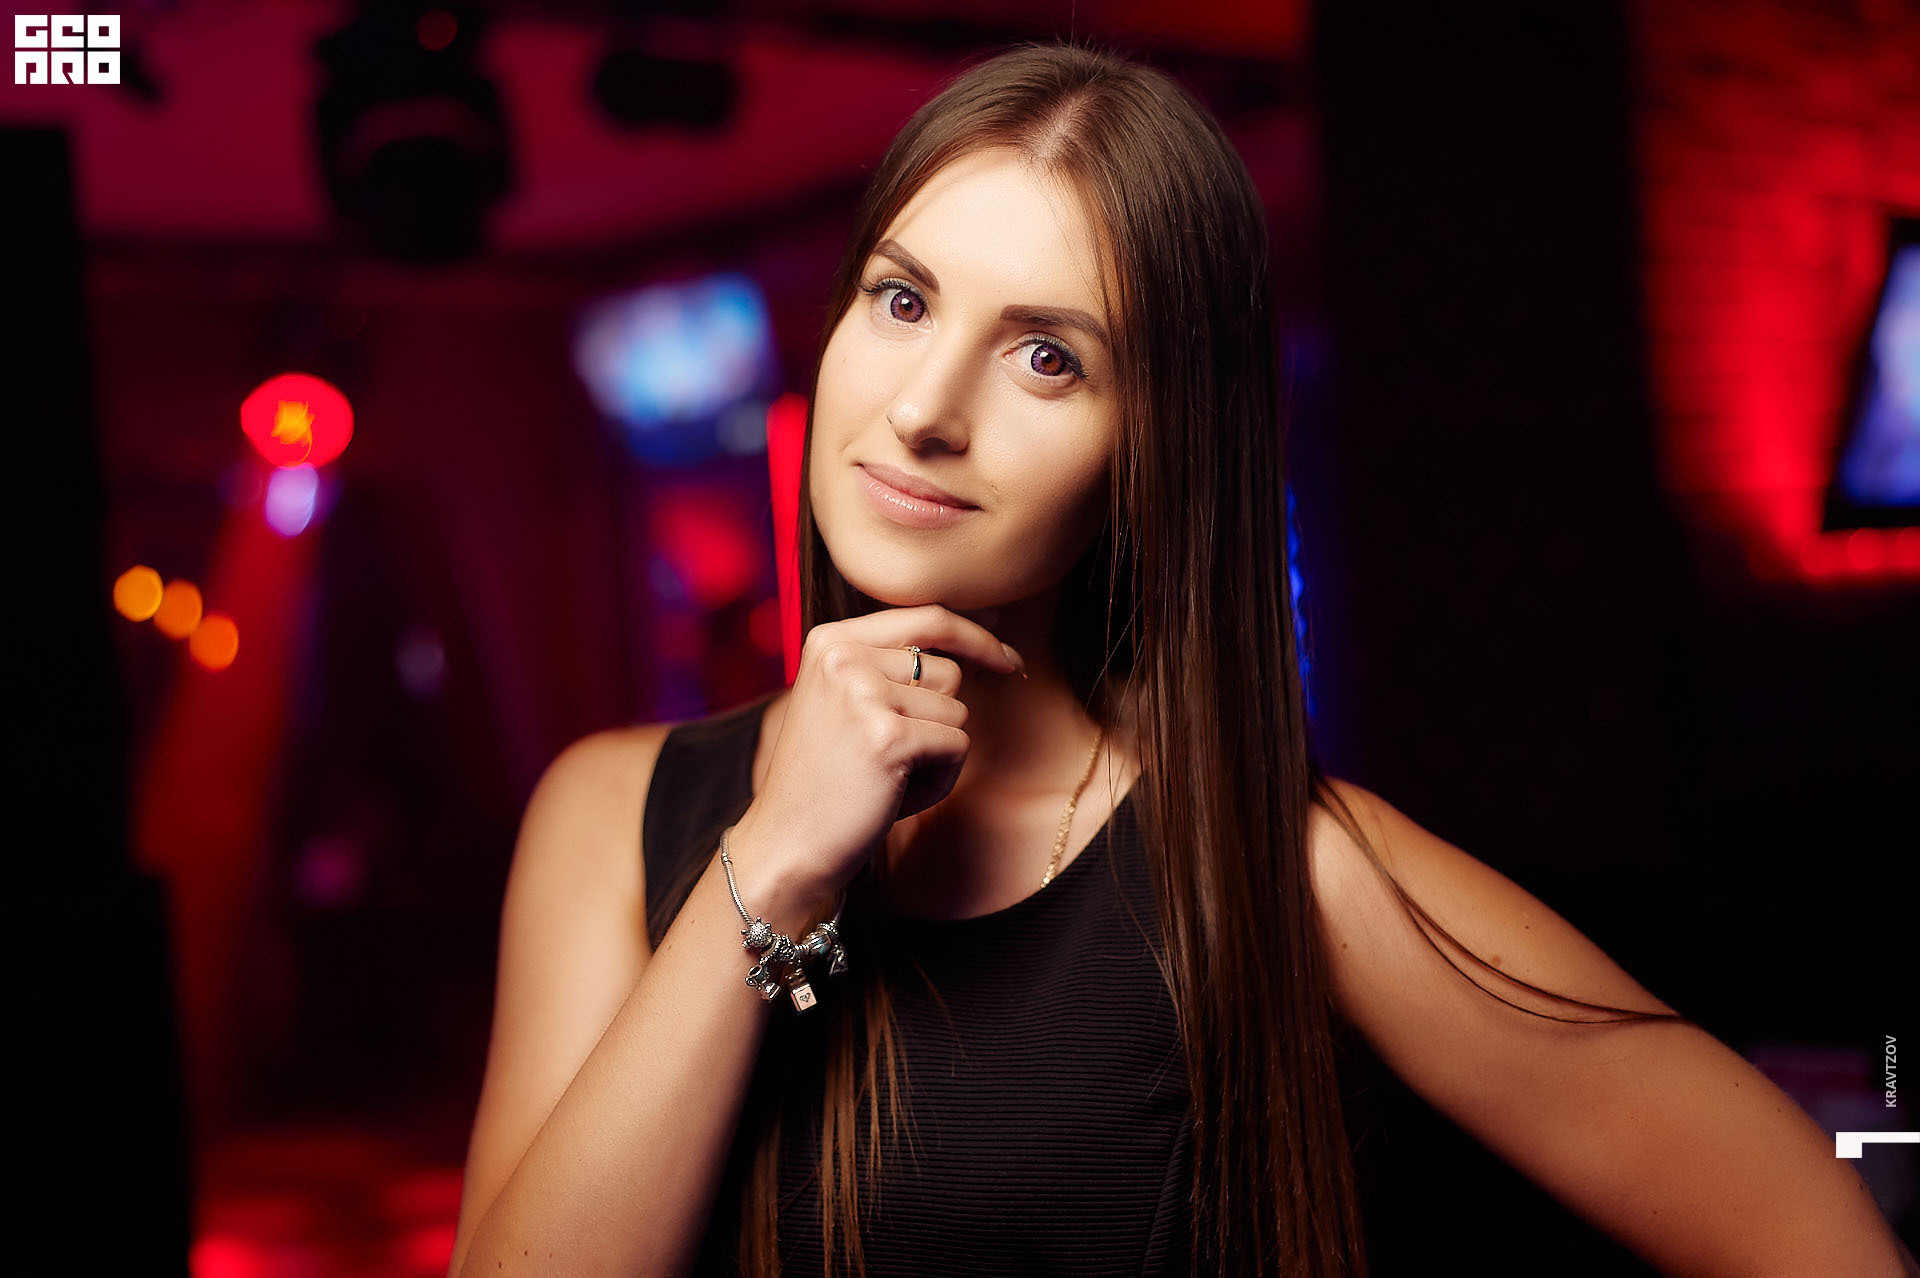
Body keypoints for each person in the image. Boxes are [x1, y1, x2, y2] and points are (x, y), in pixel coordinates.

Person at [446, 40, 1917, 1278]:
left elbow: (1807, 1219)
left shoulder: (1274, 864)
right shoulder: (609, 810)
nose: (924, 409)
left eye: (1048, 357)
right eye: (902, 300)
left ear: (1149, 450)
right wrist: (774, 866)